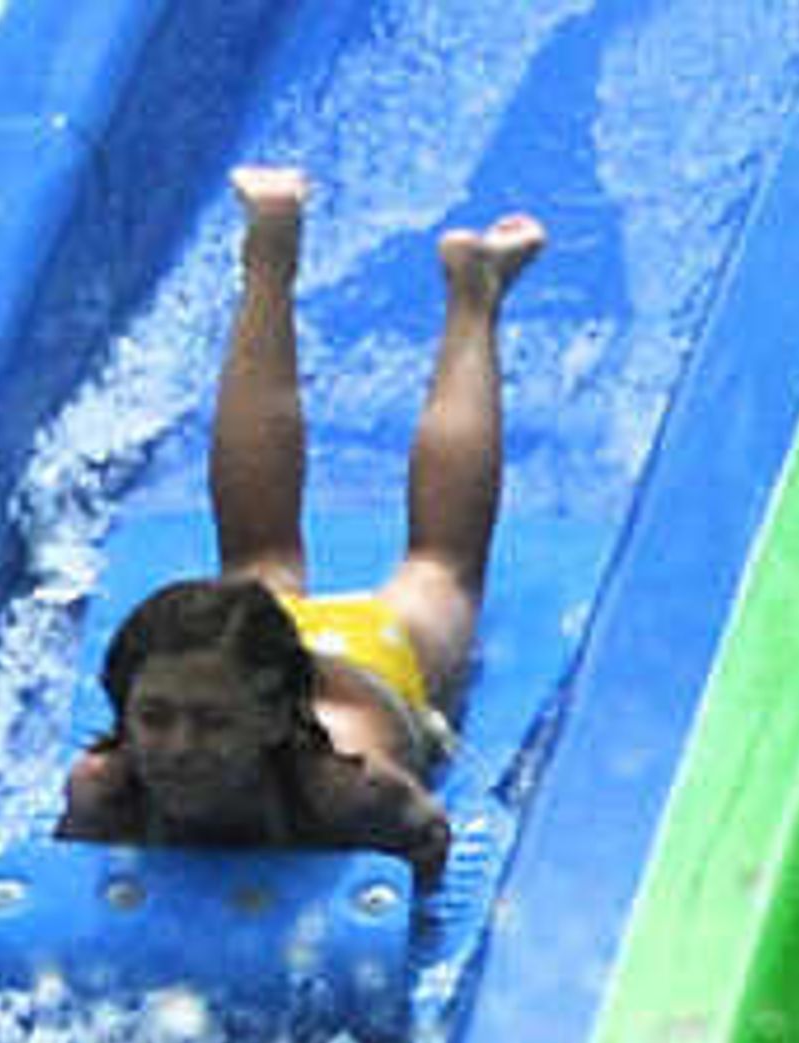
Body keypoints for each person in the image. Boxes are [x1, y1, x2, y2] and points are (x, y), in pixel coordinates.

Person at [61, 172, 543, 898]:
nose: (180, 748)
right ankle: (268, 249)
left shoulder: (352, 791)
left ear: (276, 720)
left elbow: (430, 842)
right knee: (257, 559)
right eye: (154, 718)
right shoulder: (105, 786)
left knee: (441, 562)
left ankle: (475, 294)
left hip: (373, 661)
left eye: (213, 724)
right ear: (123, 712)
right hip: (247, 655)